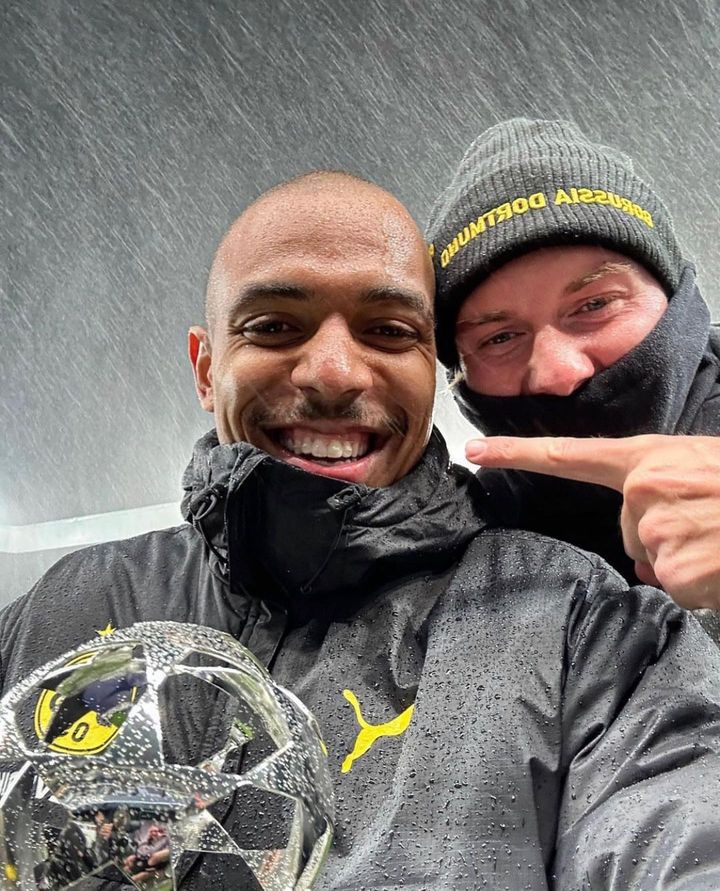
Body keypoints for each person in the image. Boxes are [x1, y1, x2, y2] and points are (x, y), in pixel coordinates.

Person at [1, 171, 720, 889]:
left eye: (388, 331)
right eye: (274, 326)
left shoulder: (580, 625)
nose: (335, 374)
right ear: (206, 368)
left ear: (431, 374)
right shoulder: (70, 604)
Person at [427, 118, 720, 619]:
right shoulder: (465, 544)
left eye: (595, 304)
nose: (560, 374)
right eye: (499, 338)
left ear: (675, 299)